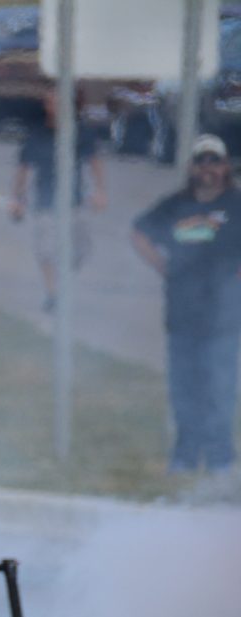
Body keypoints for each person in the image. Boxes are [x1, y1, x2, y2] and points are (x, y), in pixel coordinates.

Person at [132, 134, 241, 476]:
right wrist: (161, 265)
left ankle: (221, 459)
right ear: (192, 167)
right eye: (201, 162)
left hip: (224, 319)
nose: (208, 168)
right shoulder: (175, 206)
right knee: (184, 391)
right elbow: (139, 232)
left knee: (219, 390)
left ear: (226, 167)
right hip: (181, 316)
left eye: (215, 161)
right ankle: (184, 456)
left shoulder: (236, 205)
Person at [10, 95, 107, 315]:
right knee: (46, 250)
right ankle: (53, 295)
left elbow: (94, 162)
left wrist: (100, 191)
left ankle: (61, 282)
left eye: (60, 101)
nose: (55, 106)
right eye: (51, 101)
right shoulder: (37, 135)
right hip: (46, 203)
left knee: (80, 251)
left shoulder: (81, 133)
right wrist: (17, 199)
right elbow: (23, 170)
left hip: (75, 202)